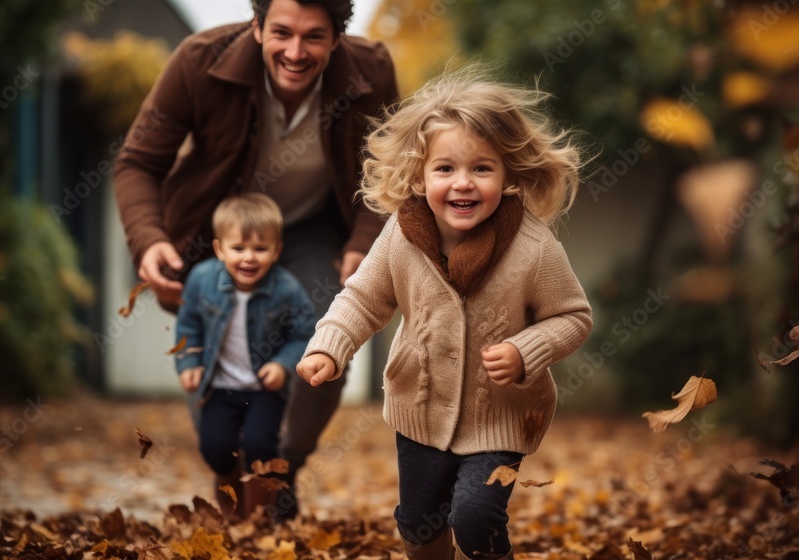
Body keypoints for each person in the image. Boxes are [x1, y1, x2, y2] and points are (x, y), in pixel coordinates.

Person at [112, 0, 399, 520]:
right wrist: (150, 239)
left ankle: (282, 468)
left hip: (316, 229)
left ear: (337, 38)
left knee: (328, 333)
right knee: (216, 351)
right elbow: (137, 162)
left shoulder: (372, 71)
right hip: (222, 230)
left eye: (314, 36)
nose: (295, 51)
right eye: (281, 33)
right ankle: (229, 469)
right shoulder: (199, 62)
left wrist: (362, 245)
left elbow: (392, 176)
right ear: (256, 26)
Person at [296, 70, 594, 560]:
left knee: (476, 516)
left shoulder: (533, 247)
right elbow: (363, 297)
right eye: (445, 169)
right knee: (418, 524)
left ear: (508, 175)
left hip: (501, 415)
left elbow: (573, 316)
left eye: (482, 168)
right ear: (419, 176)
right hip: (420, 408)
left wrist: (526, 351)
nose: (463, 183)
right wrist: (329, 344)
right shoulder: (400, 235)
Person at [175, 193, 315, 520]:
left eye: (260, 249)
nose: (248, 258)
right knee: (215, 448)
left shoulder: (286, 288)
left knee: (260, 447)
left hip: (263, 390)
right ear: (219, 249)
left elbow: (304, 333)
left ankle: (257, 518)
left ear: (277, 250)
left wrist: (282, 364)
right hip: (219, 387)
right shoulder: (202, 281)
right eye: (238, 248)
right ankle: (231, 504)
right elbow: (188, 325)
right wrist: (188, 361)